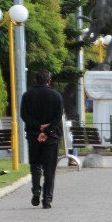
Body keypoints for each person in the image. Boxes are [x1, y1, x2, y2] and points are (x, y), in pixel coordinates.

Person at [20, 69, 64, 209]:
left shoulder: (27, 95)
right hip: (51, 137)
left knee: (35, 165)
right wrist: (47, 130)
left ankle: (36, 190)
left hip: (33, 135)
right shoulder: (56, 96)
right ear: (49, 80)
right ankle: (47, 200)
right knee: (49, 169)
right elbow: (58, 117)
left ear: (35, 80)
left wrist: (38, 127)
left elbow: (24, 115)